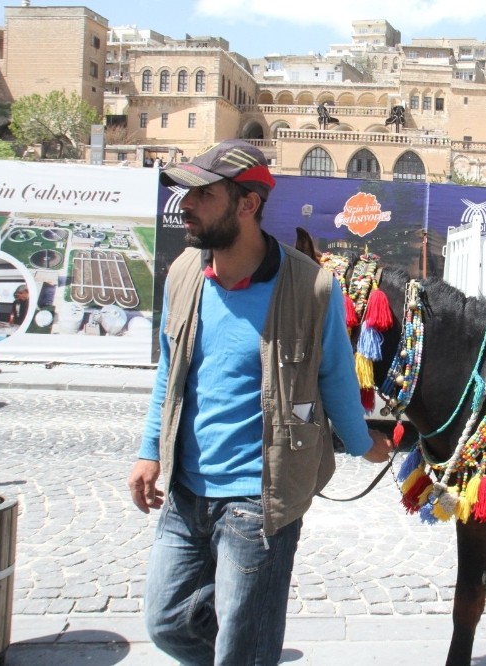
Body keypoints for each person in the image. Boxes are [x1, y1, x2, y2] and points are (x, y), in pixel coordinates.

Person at [127, 138, 393, 666]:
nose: (186, 205)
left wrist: (366, 445)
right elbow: (169, 372)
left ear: (247, 204)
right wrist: (150, 449)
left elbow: (336, 378)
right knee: (166, 620)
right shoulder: (184, 273)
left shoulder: (312, 286)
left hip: (260, 500)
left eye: (203, 194)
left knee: (243, 646)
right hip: (186, 490)